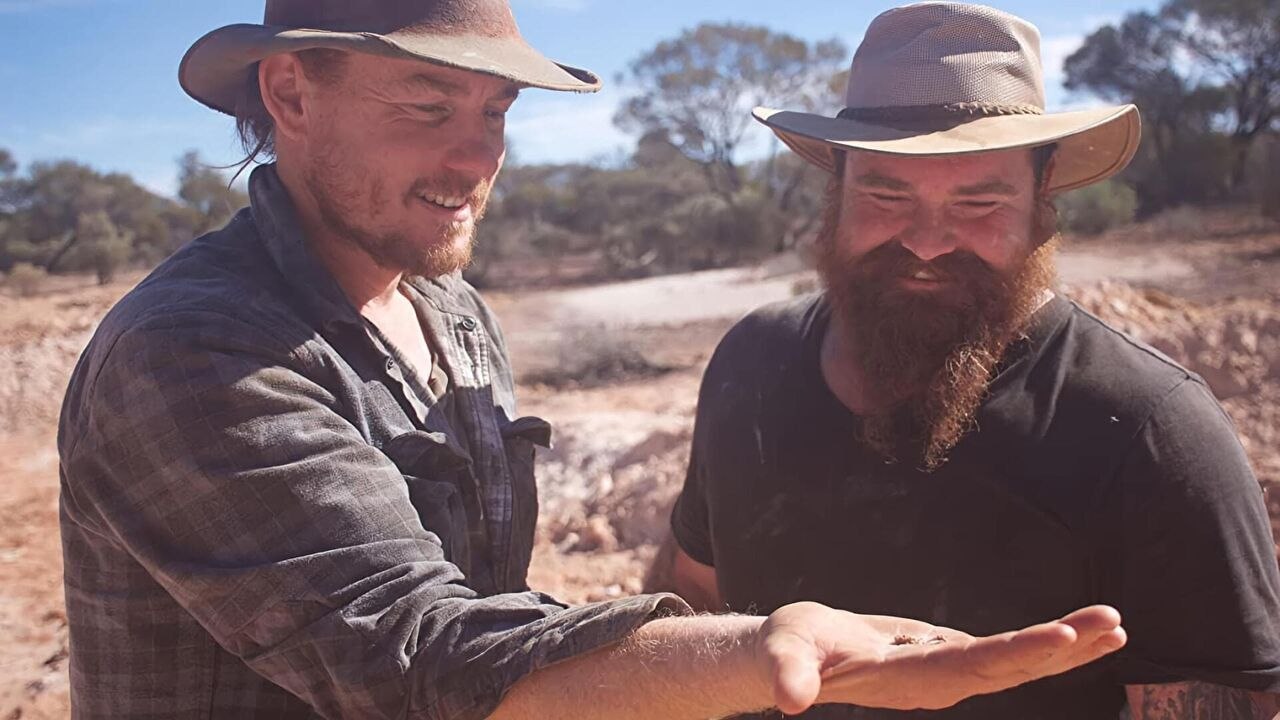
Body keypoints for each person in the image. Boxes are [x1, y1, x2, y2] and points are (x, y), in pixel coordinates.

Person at [55, 1, 1129, 719]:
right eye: (428, 107)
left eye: (493, 110)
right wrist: (756, 651)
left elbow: (478, 605)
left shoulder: (449, 308)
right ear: (288, 96)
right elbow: (415, 647)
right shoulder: (194, 352)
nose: (477, 159)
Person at [666, 3, 1280, 719]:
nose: (928, 242)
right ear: (836, 190)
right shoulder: (752, 363)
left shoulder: (1147, 430)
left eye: (979, 200)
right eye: (886, 193)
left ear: (1042, 197)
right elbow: (695, 597)